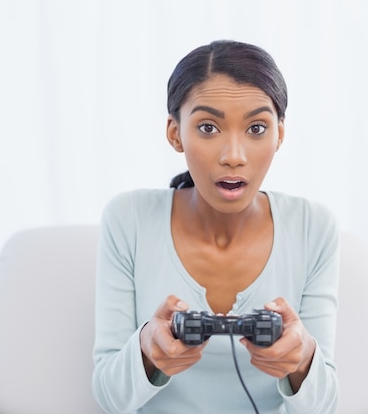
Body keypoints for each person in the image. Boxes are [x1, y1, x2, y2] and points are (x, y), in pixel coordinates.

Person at [92, 40, 339, 414]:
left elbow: (324, 407)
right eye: (208, 127)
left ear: (280, 135)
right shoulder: (129, 219)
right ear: (175, 133)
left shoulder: (313, 227)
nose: (233, 156)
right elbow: (109, 398)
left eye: (257, 128)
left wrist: (302, 359)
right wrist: (147, 349)